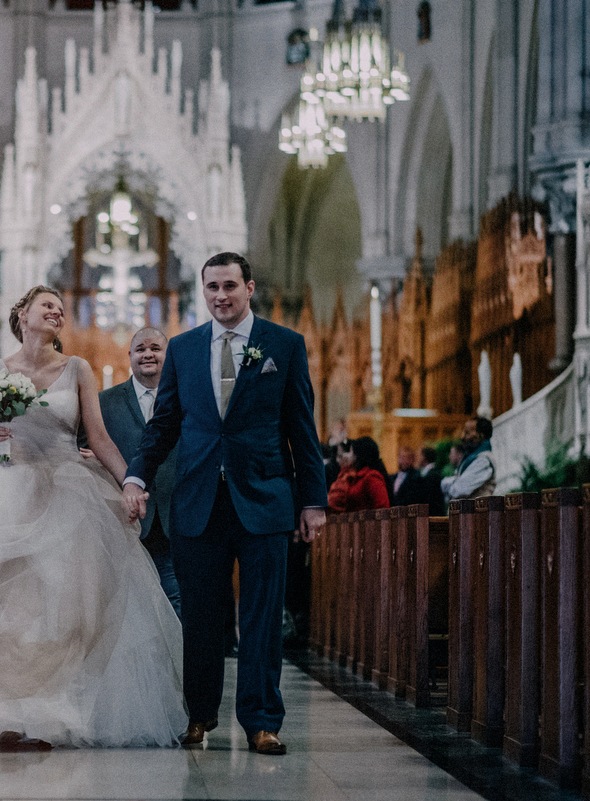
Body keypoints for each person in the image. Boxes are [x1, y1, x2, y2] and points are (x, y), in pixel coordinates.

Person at [0, 285, 185, 749]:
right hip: (9, 491)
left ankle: (50, 709)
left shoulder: (77, 368)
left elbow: (98, 437)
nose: (56, 312)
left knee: (60, 608)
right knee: (6, 609)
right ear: (23, 314)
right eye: (46, 306)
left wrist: (132, 483)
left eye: (60, 308)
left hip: (68, 493)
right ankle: (0, 711)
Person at [122, 252, 327, 756]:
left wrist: (313, 501)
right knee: (201, 617)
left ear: (249, 287)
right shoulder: (186, 349)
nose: (221, 296)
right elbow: (164, 424)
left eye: (230, 286)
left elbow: (303, 431)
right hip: (198, 501)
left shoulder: (285, 345)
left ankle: (262, 721)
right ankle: (199, 715)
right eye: (212, 287)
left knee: (260, 616)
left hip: (264, 498)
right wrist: (135, 474)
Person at [97, 326, 182, 618]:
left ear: (168, 355)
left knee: (176, 602)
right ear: (129, 355)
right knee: (127, 608)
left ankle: (176, 664)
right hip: (122, 519)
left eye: (156, 348)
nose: (148, 354)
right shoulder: (103, 402)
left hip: (174, 515)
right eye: (141, 349)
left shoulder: (186, 398)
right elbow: (85, 447)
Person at [327, 437, 391, 513]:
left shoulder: (371, 476)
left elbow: (382, 507)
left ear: (358, 454)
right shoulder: (354, 475)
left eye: (351, 452)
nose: (347, 456)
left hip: (368, 522)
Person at [441, 416, 496, 502]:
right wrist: (456, 481)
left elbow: (459, 490)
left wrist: (452, 482)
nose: (462, 436)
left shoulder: (483, 460)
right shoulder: (469, 458)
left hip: (477, 514)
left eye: (467, 433)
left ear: (481, 435)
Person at [415, 446, 447, 516]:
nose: (417, 458)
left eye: (419, 455)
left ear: (423, 457)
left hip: (432, 515)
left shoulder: (432, 475)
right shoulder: (426, 473)